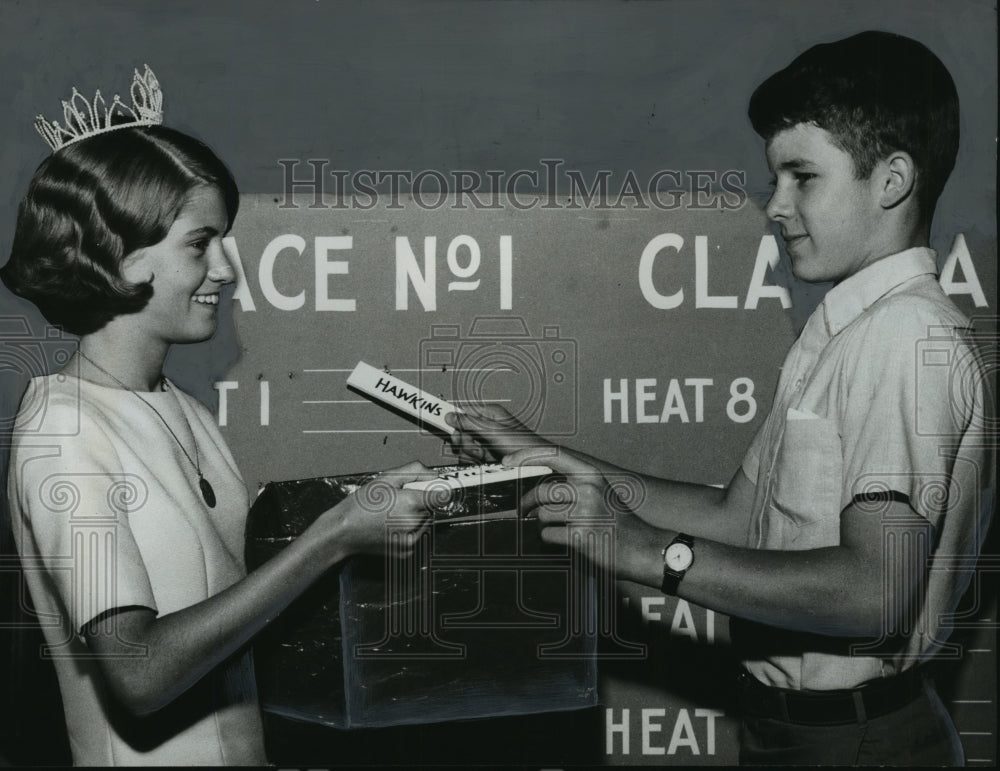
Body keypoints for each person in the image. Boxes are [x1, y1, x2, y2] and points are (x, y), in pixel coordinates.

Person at [447, 31, 991, 766]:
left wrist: (643, 551)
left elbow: (875, 591)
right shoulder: (841, 331)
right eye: (776, 179)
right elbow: (736, 515)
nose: (776, 206)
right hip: (797, 731)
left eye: (803, 177)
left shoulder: (904, 331)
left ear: (891, 179)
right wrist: (547, 457)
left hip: (856, 741)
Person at [1, 68, 435, 766]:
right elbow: (139, 673)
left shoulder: (191, 414)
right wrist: (332, 536)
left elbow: (234, 624)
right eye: (200, 243)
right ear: (118, 255)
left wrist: (352, 513)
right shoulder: (63, 427)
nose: (228, 269)